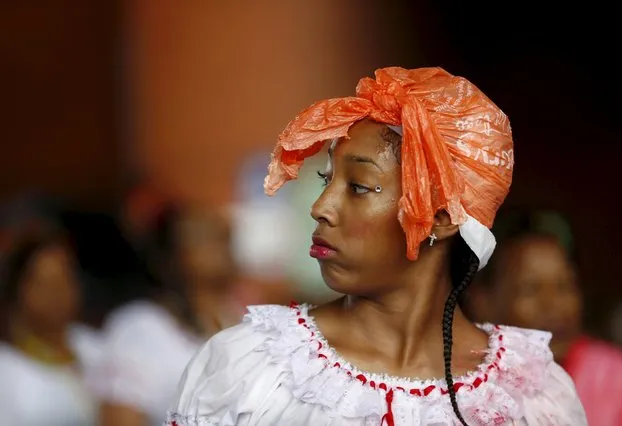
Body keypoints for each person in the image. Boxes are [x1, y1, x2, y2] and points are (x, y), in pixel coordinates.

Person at [166, 67, 586, 425]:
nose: (320, 207)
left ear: (440, 218)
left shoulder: (532, 395)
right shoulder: (254, 368)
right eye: (326, 180)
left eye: (360, 187)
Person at [466, 208, 622, 425]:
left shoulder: (615, 378)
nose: (553, 306)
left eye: (564, 286)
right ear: (481, 300)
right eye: (530, 289)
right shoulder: (464, 388)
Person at [97, 204, 242, 426]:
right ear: (170, 257)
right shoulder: (139, 327)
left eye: (222, 236)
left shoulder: (243, 325)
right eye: (200, 236)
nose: (218, 243)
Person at [0, 227, 103, 426]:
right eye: (45, 284)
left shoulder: (96, 347)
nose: (58, 294)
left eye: (65, 279)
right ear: (17, 291)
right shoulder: (5, 370)